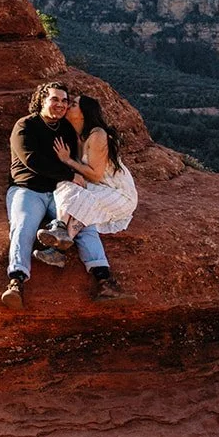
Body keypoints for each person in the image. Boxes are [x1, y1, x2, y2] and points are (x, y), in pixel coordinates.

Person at [35, 97, 136, 302]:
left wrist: (68, 160)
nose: (68, 106)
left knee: (79, 196)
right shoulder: (78, 135)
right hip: (98, 189)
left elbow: (96, 175)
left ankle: (59, 244)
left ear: (84, 113)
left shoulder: (97, 135)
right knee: (66, 185)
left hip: (118, 192)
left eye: (73, 104)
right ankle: (61, 237)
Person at [1, 81, 81, 309]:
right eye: (54, 99)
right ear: (41, 101)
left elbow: (74, 158)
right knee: (23, 224)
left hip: (58, 191)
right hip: (27, 189)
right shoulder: (25, 125)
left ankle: (103, 277)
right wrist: (68, 174)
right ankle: (16, 281)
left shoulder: (66, 129)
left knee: (84, 222)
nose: (60, 104)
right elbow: (31, 160)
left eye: (64, 101)